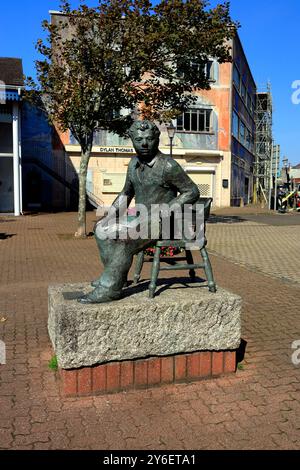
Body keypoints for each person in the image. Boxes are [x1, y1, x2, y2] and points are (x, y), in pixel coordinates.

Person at [78, 120, 199, 304]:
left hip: (165, 222)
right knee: (101, 230)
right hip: (142, 218)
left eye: (149, 139)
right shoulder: (133, 164)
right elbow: (126, 193)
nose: (144, 143)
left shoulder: (168, 166)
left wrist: (166, 210)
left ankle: (111, 288)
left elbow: (192, 191)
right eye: (139, 139)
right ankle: (112, 276)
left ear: (157, 140)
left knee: (126, 238)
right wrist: (111, 216)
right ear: (132, 141)